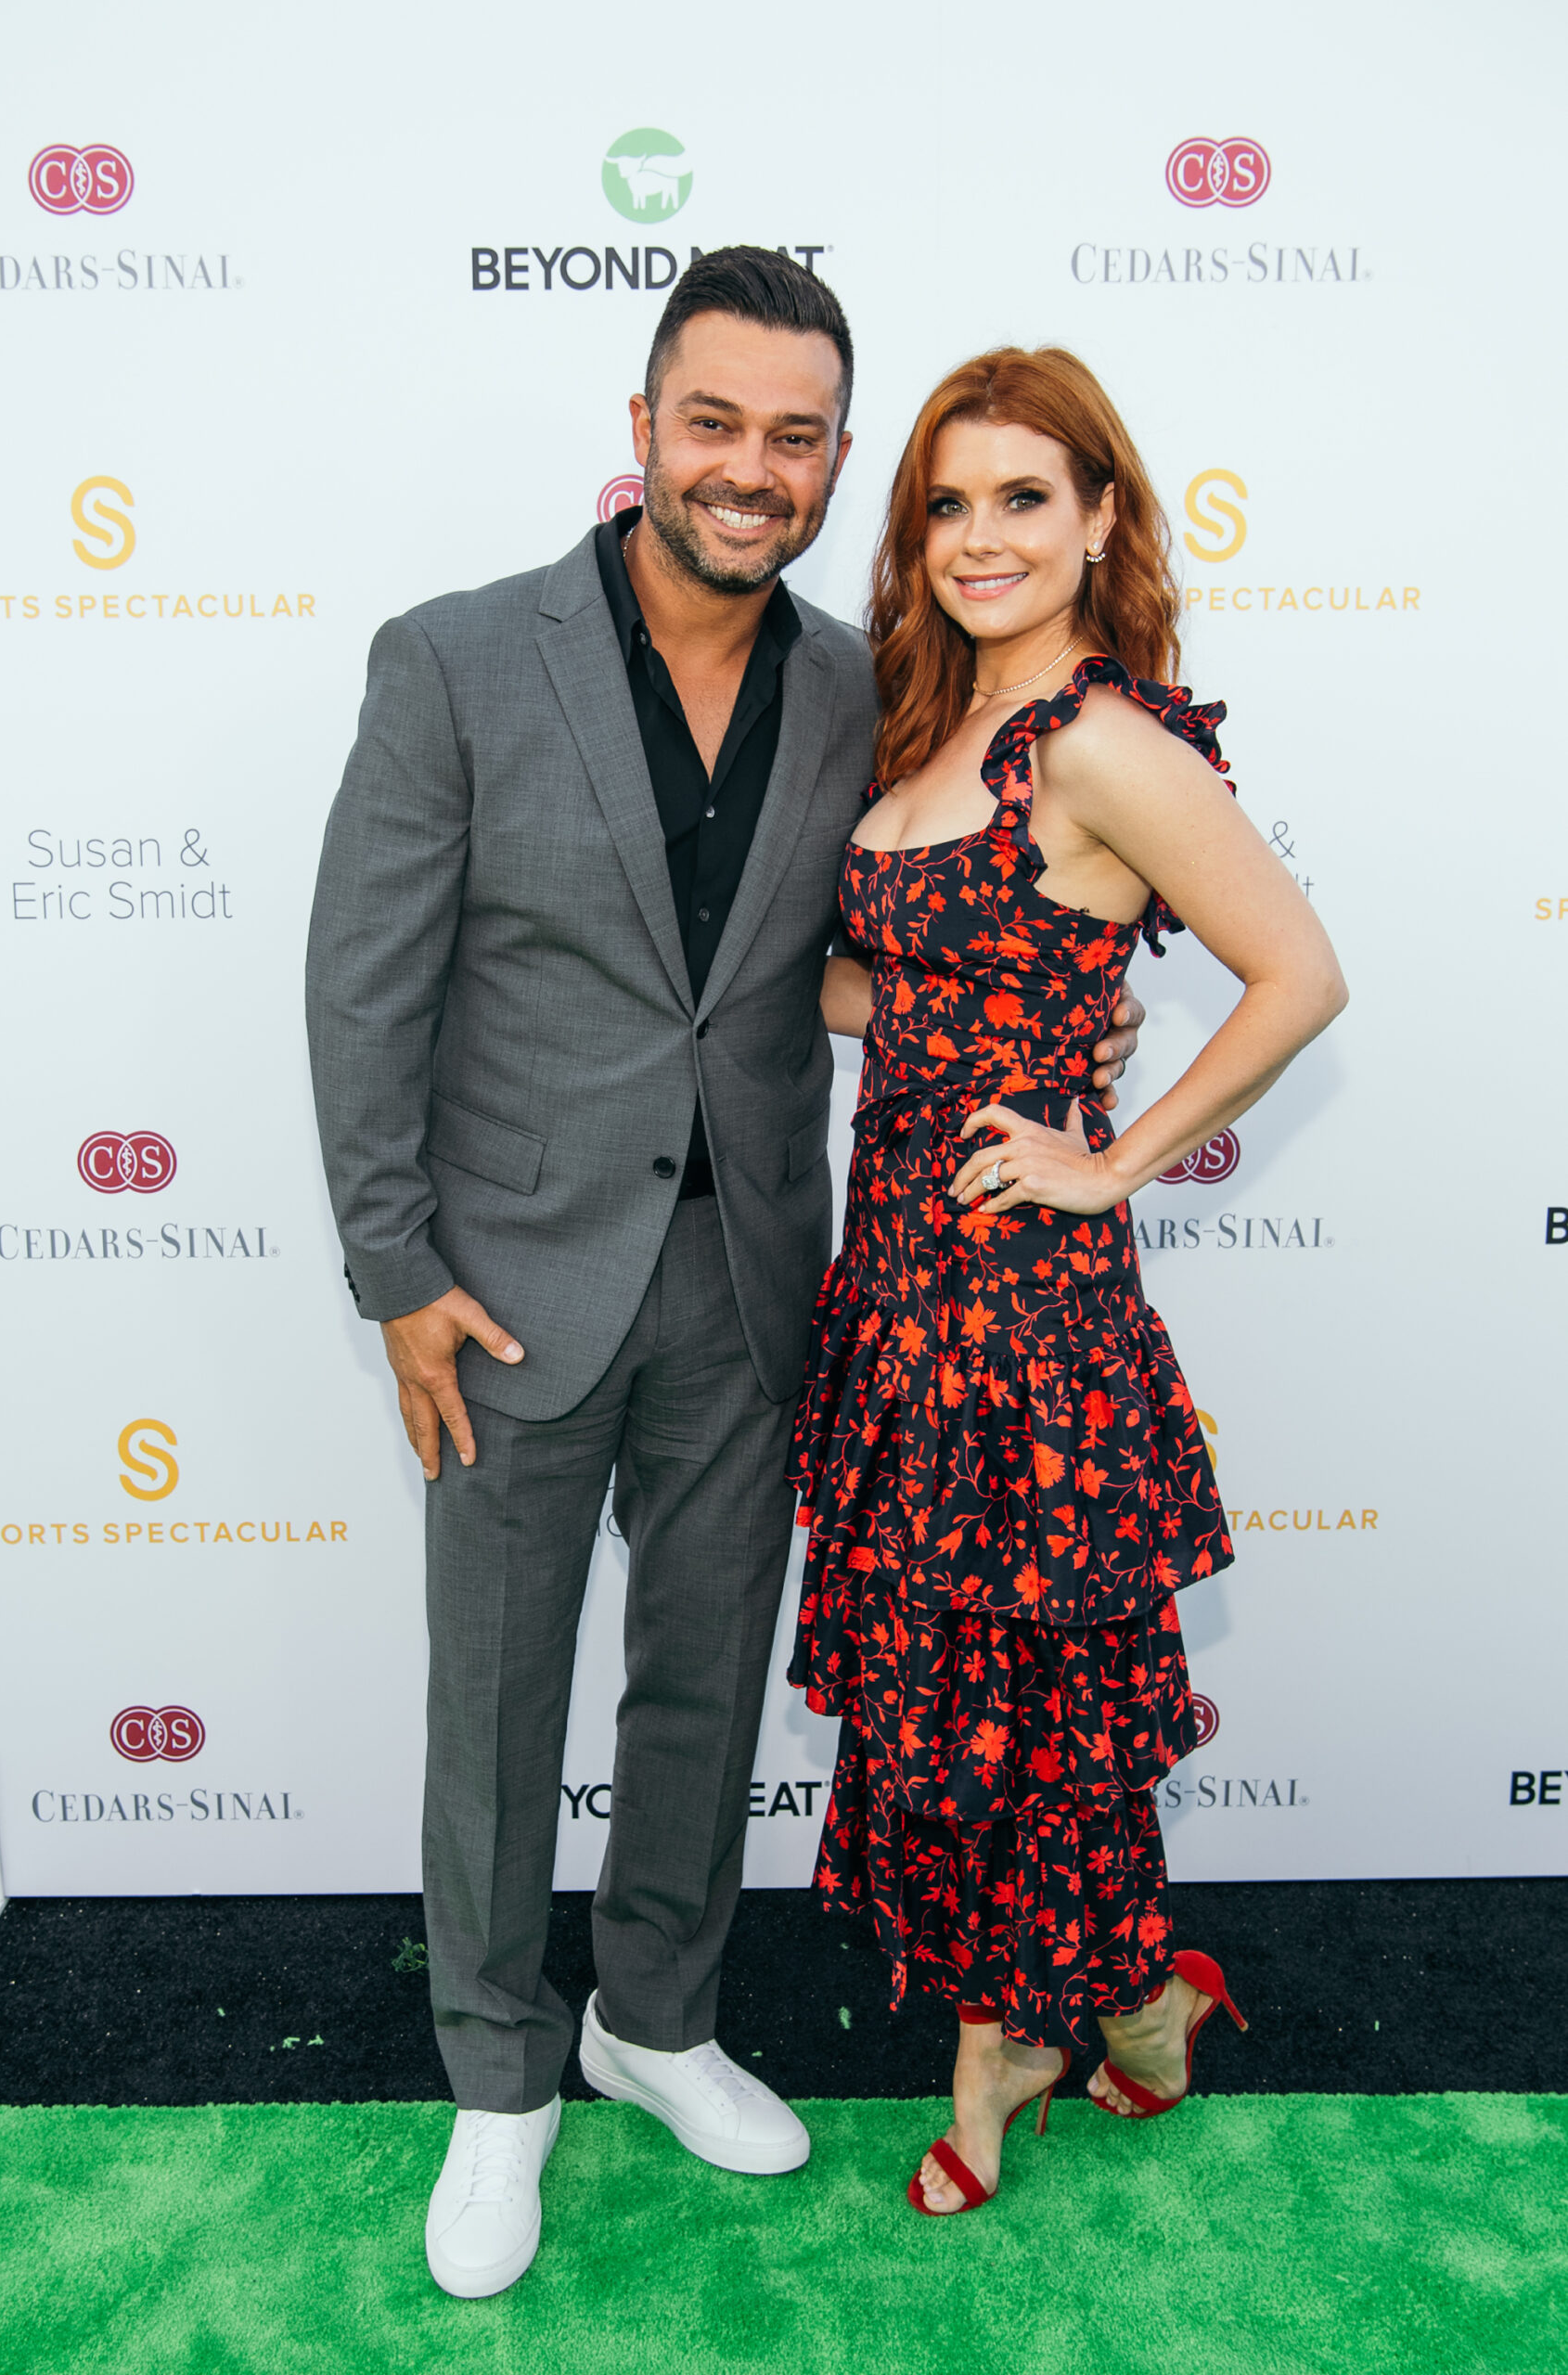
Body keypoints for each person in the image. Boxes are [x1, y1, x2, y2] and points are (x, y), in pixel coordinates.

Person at [306, 246, 1152, 2293]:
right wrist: (393, 1268)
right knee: (498, 1699)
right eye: (714, 424)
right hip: (504, 1284)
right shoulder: (456, 657)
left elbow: (892, 941)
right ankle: (501, 2079)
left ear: (833, 456)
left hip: (767, 1278)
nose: (748, 470)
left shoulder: (877, 683)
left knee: (700, 1682)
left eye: (794, 437)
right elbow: (362, 984)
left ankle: (652, 2015)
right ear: (642, 429)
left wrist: (1061, 1031)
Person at [790, 344, 1347, 2215]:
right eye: (945, 501)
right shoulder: (922, 726)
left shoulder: (1104, 741)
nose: (976, 536)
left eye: (1022, 495)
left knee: (1032, 1688)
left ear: (1098, 515)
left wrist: (1107, 1153)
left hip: (1029, 1322)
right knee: (948, 1685)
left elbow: (1296, 973)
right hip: (891, 1286)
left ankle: (991, 2042)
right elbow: (909, 985)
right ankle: (1122, 2003)